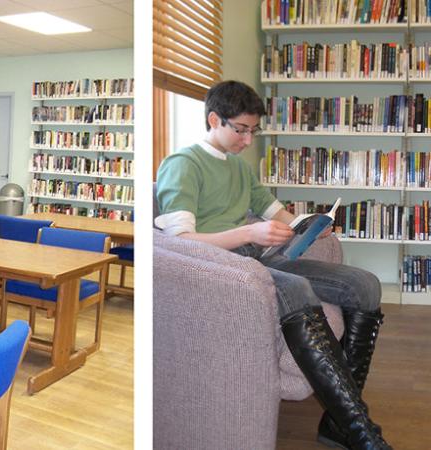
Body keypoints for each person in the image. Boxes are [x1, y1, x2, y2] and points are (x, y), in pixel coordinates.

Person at [155, 80, 390, 450]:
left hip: (260, 259)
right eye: (241, 131)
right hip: (223, 270)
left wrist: (310, 224)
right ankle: (361, 432)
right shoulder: (182, 165)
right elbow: (179, 243)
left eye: (253, 131)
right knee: (297, 290)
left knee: (365, 286)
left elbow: (276, 212)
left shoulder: (239, 167)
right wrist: (249, 231)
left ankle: (337, 423)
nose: (248, 141)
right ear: (214, 119)